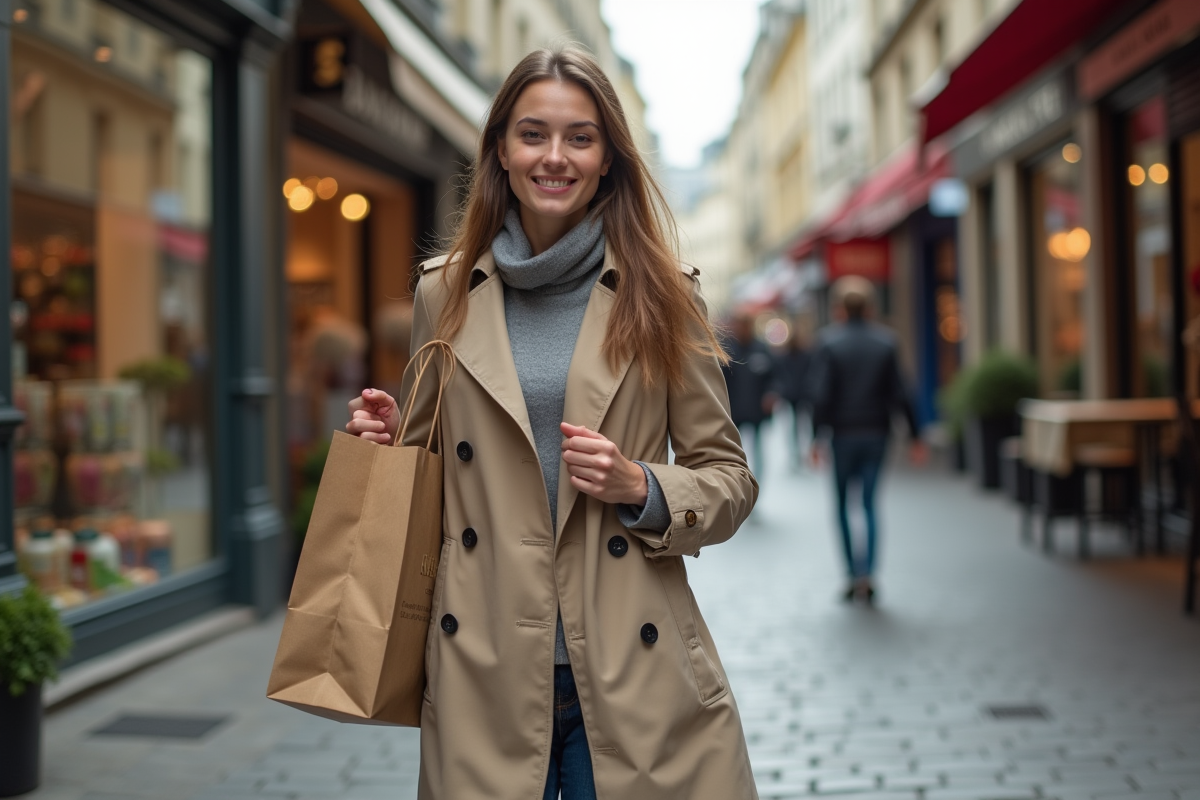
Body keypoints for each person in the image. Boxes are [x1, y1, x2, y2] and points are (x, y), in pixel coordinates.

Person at [346, 46, 759, 800]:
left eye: (581, 137)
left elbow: (729, 479)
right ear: (501, 149)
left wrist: (645, 485)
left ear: (608, 159)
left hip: (633, 665)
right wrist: (387, 442)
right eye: (534, 134)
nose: (555, 157)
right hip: (485, 664)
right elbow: (430, 472)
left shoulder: (664, 294)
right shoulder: (445, 293)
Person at [809, 276, 927, 604]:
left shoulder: (829, 343)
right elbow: (902, 392)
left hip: (843, 435)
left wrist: (815, 439)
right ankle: (869, 573)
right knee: (871, 504)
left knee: (843, 506)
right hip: (877, 433)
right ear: (871, 307)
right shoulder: (886, 342)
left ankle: (851, 574)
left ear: (839, 309)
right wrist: (917, 436)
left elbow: (821, 395)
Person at [721, 314, 776, 479]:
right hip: (734, 410)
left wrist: (771, 394)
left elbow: (773, 377)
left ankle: (756, 484)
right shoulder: (727, 350)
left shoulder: (761, 348)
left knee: (758, 450)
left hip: (757, 410)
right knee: (735, 450)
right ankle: (738, 481)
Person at [772, 329, 812, 467]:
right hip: (794, 395)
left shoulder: (803, 356)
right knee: (795, 426)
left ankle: (800, 453)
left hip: (799, 395)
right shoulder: (788, 357)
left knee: (799, 426)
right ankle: (797, 453)